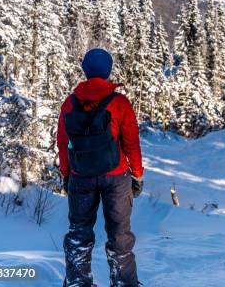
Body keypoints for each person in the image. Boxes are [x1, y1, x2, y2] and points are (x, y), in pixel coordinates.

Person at [57, 48, 144, 287]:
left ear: (85, 70)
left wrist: (66, 174)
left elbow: (63, 143)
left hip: (80, 176)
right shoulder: (119, 102)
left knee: (79, 232)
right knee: (119, 234)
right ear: (109, 71)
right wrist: (137, 173)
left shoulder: (70, 103)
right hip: (115, 177)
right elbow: (131, 142)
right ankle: (124, 282)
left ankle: (78, 282)